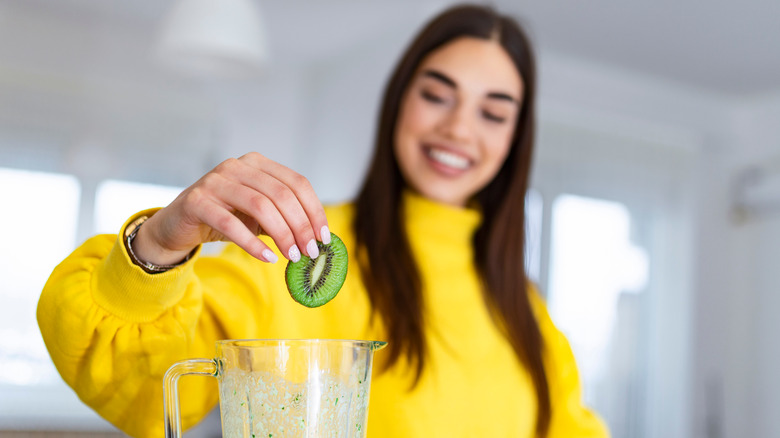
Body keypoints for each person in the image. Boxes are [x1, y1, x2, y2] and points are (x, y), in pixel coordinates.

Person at [38, 4, 608, 438]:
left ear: (515, 139)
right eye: (438, 96)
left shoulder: (521, 303)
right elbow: (135, 382)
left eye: (492, 112)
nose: (460, 129)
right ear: (399, 102)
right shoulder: (303, 247)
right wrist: (160, 243)